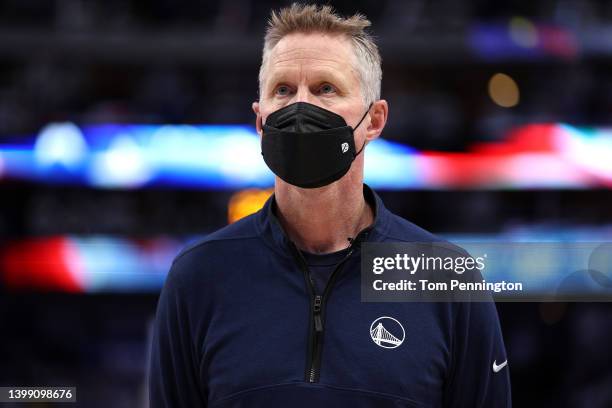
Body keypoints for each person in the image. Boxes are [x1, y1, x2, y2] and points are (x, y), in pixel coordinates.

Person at [148, 3, 511, 407]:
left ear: (374, 120)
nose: (301, 109)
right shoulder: (198, 277)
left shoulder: (446, 281)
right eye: (283, 90)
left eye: (326, 89)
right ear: (260, 120)